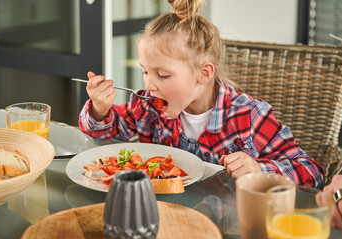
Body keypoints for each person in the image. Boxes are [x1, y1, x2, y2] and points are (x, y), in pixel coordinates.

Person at [79, 0, 324, 188]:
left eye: (162, 75)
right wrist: (100, 109)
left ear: (204, 73)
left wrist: (260, 170)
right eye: (145, 71)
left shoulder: (248, 117)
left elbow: (313, 172)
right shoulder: (148, 107)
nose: (150, 85)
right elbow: (101, 133)